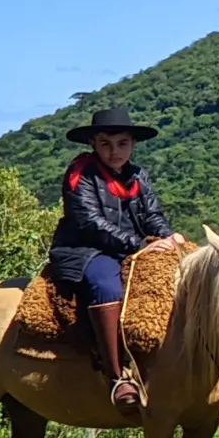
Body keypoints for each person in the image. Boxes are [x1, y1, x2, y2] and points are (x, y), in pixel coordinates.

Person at [46, 106, 186, 414]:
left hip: (130, 248)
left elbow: (152, 214)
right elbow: (89, 222)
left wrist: (168, 236)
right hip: (85, 250)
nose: (114, 151)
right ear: (93, 144)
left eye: (122, 143)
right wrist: (138, 245)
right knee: (106, 285)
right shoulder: (80, 173)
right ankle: (117, 377)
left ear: (132, 145)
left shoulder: (137, 176)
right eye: (106, 144)